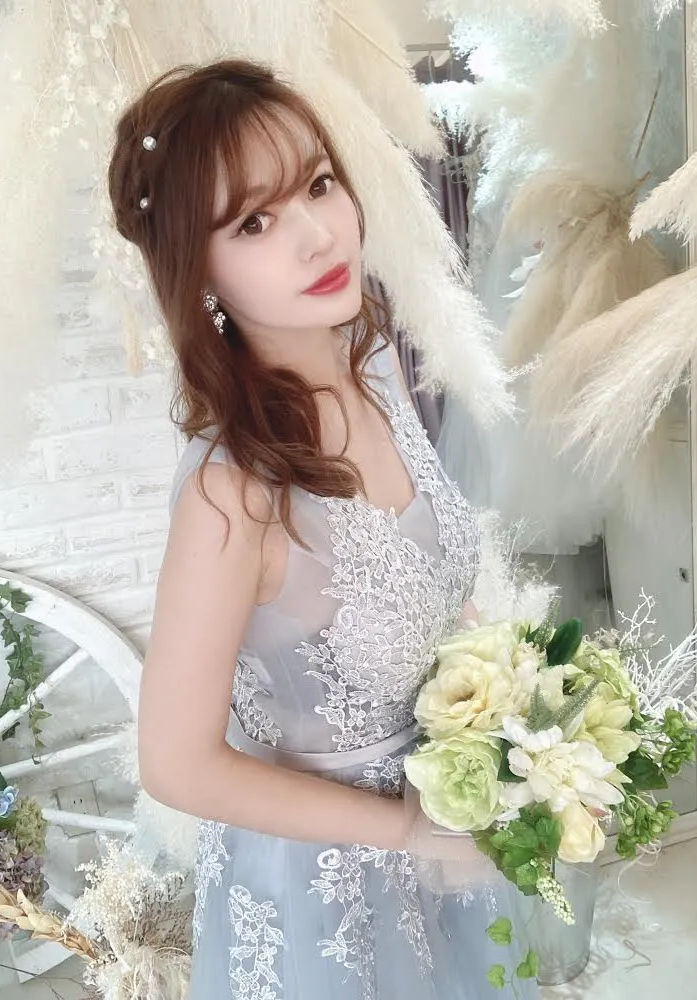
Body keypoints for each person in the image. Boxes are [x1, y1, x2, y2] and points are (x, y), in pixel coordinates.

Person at [108, 59, 537, 1000]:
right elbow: (175, 764)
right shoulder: (232, 495)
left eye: (317, 184)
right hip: (326, 900)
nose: (317, 235)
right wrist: (408, 830)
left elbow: (424, 578)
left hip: (447, 845)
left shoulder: (371, 369)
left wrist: (507, 709)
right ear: (197, 270)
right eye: (253, 224)